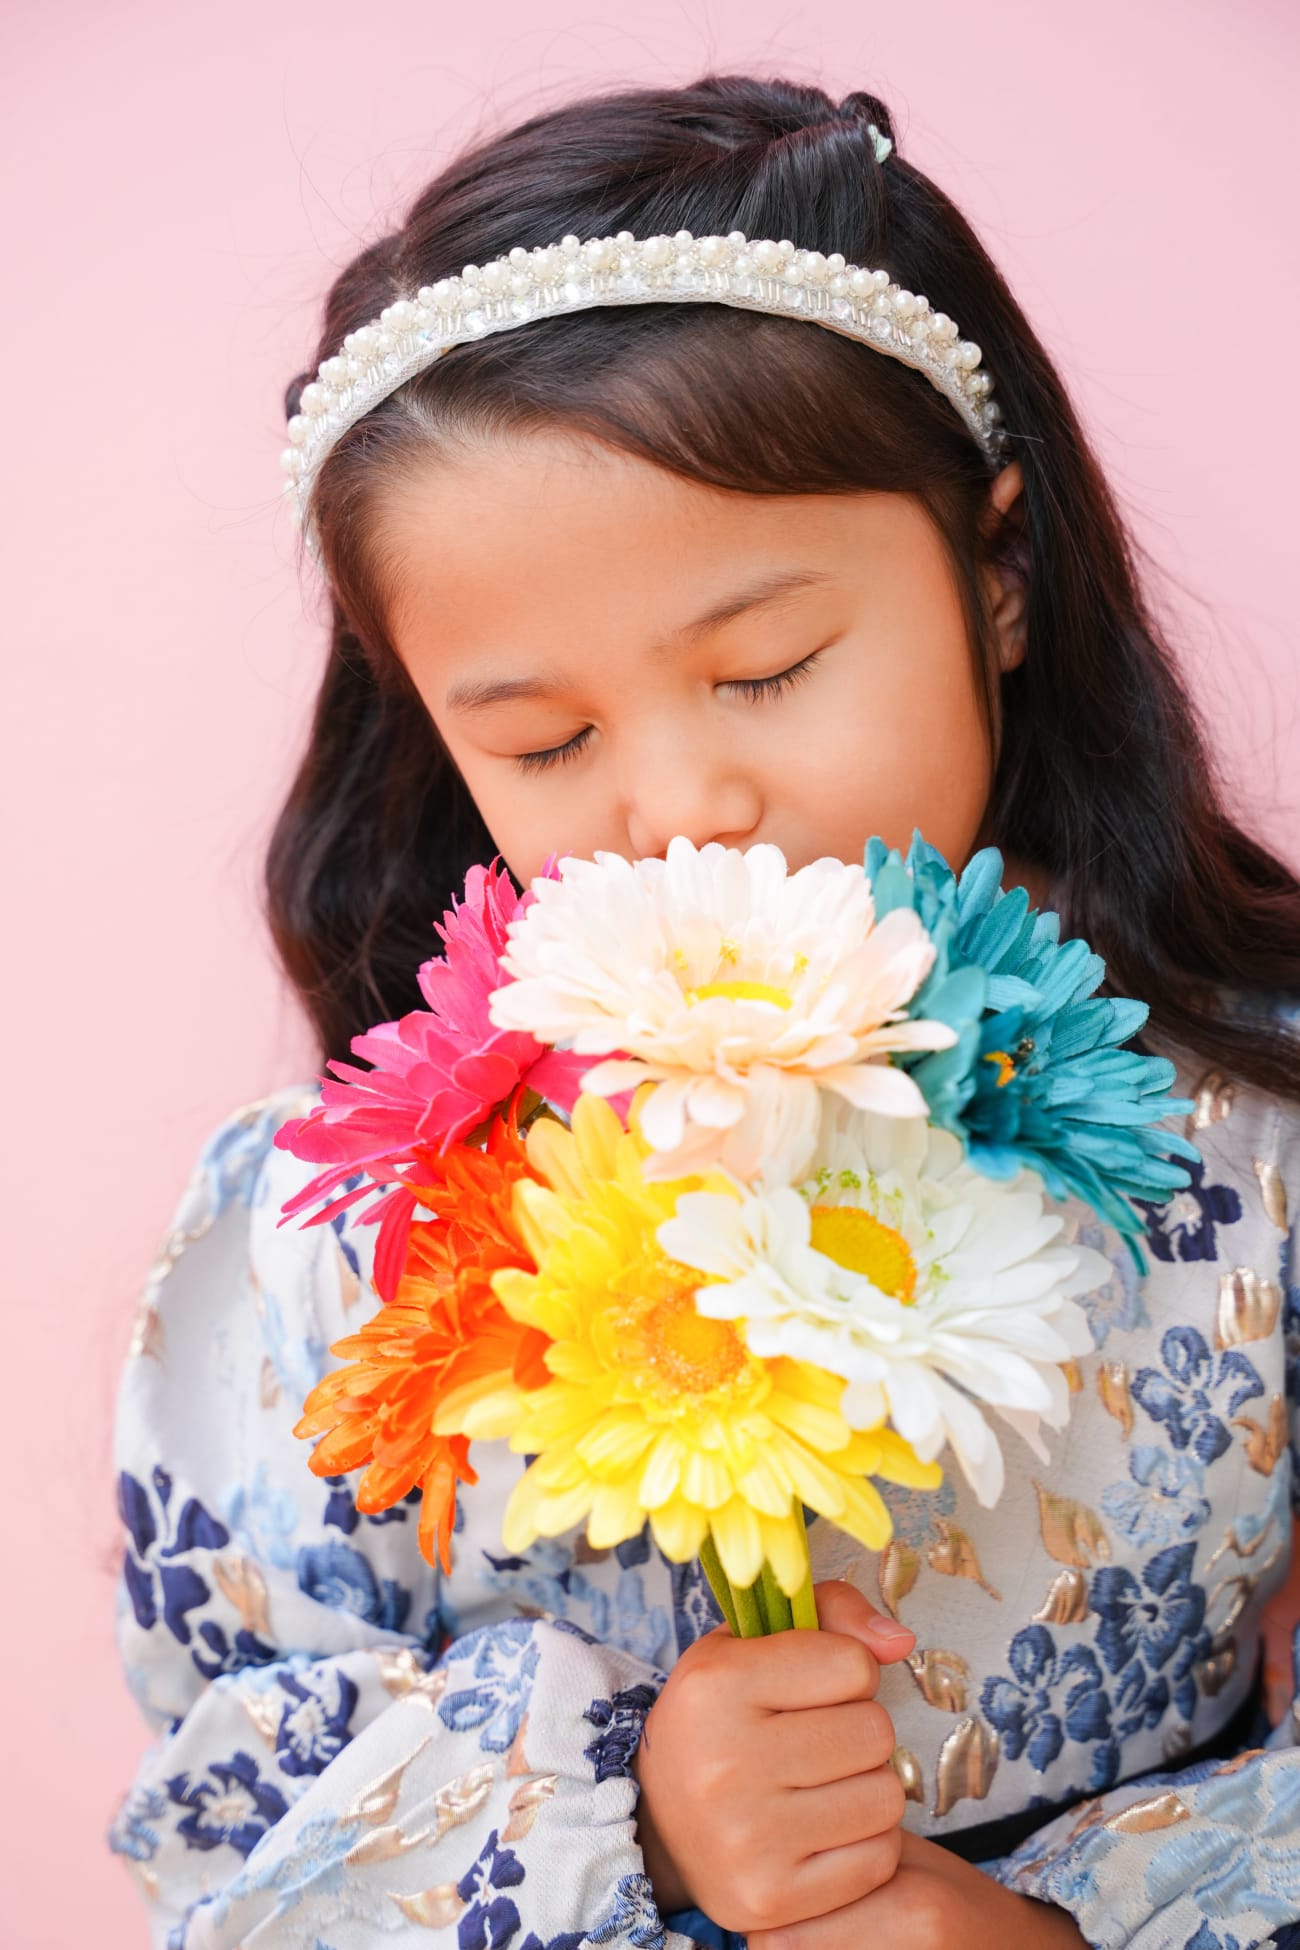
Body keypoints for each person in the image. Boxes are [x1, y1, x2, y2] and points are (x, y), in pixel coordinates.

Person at [108, 71, 1300, 1950]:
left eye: (766, 668)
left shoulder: (1254, 1145)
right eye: (547, 736)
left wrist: (1048, 1931)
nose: (675, 806)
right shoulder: (343, 1232)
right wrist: (632, 1812)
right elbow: (218, 1827)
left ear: (995, 571)